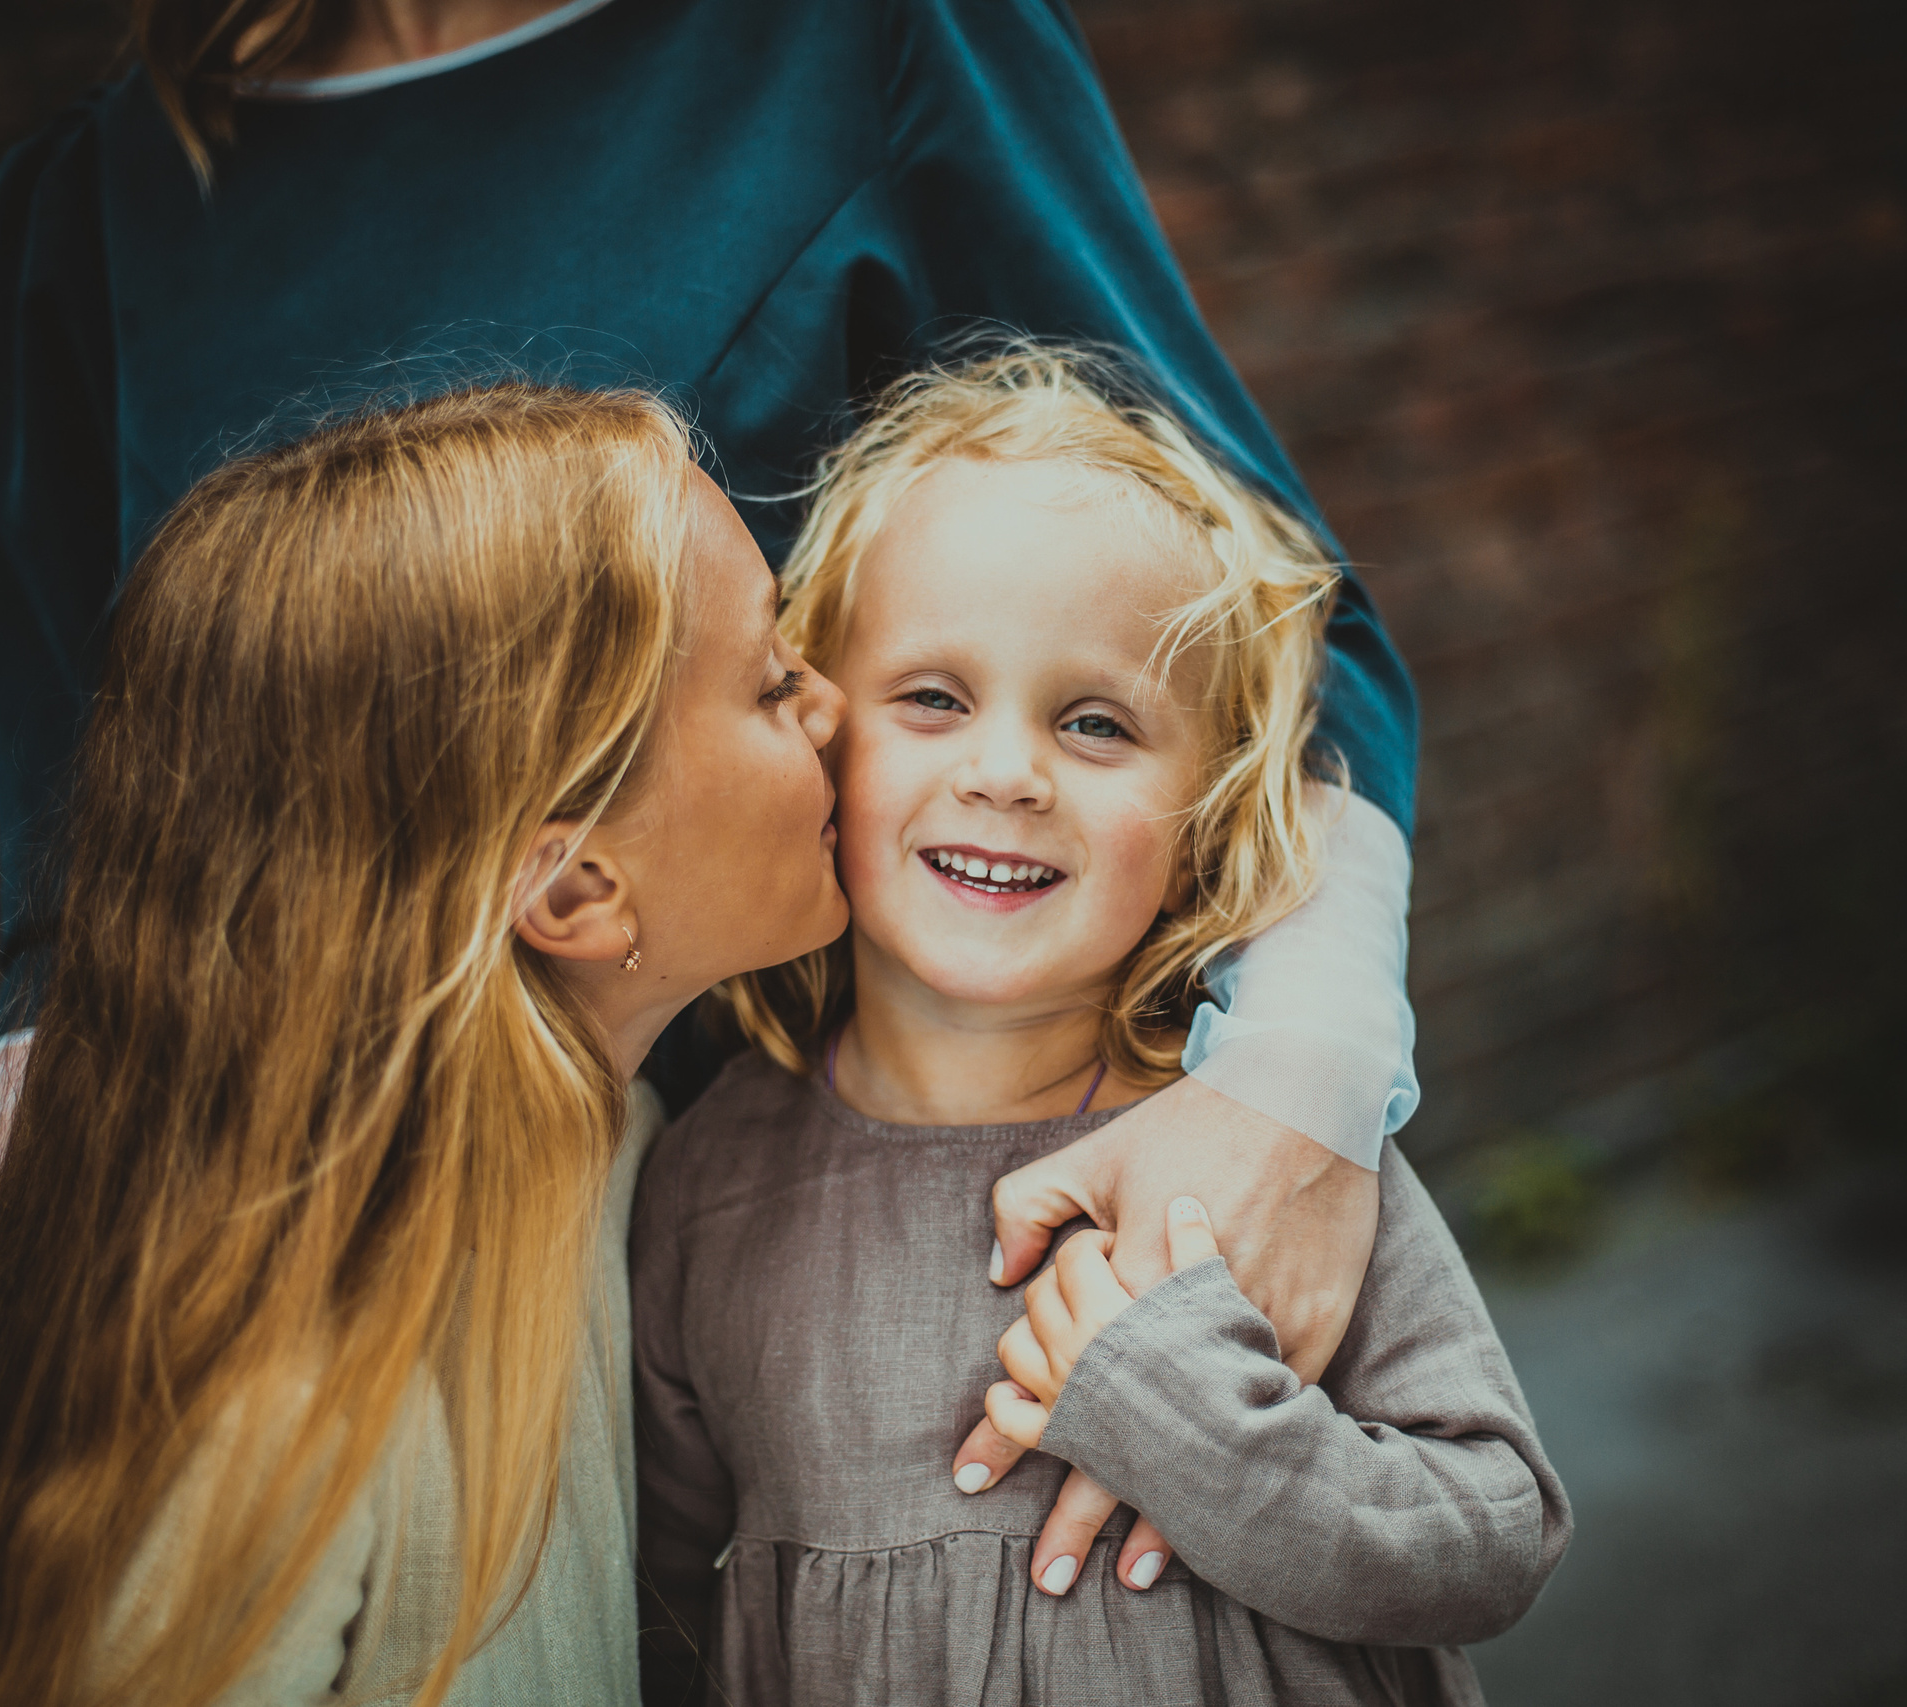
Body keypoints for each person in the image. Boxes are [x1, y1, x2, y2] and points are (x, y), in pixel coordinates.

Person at [0, 1, 1426, 1696]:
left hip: (809, 1151)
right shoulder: (90, 205)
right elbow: (82, 908)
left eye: (808, 669)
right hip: (317, 1273)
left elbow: (1277, 630)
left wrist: (1295, 1097)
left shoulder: (872, 45)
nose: (839, 721)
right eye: (789, 688)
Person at [0, 382, 852, 1706]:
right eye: (772, 681)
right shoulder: (256, 1418)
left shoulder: (623, 1148)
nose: (835, 710)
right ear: (572, 892)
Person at [629, 350, 1567, 1705]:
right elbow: (656, 1602)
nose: (1006, 774)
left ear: (1206, 821)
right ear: (818, 733)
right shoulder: (709, 1182)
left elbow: (1493, 1542)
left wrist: (1200, 1423)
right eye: (933, 697)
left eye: (1095, 723)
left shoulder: (1254, 1158)